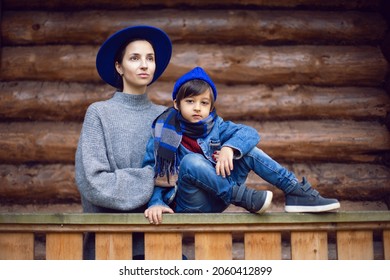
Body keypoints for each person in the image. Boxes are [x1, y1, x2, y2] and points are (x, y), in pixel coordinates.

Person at [143, 67, 340, 225]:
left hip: (218, 199)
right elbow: (152, 173)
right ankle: (242, 196)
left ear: (211, 107)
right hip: (190, 203)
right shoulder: (162, 132)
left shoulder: (217, 126)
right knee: (190, 161)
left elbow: (250, 133)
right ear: (177, 104)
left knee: (248, 151)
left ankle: (296, 192)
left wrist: (230, 148)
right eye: (190, 101)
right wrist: (156, 203)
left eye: (204, 103)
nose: (197, 108)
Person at [75, 25, 172, 259]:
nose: (144, 64)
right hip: (108, 245)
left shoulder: (167, 117)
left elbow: (177, 181)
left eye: (150, 58)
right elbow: (93, 182)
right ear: (119, 66)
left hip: (159, 243)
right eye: (134, 58)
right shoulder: (99, 113)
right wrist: (153, 177)